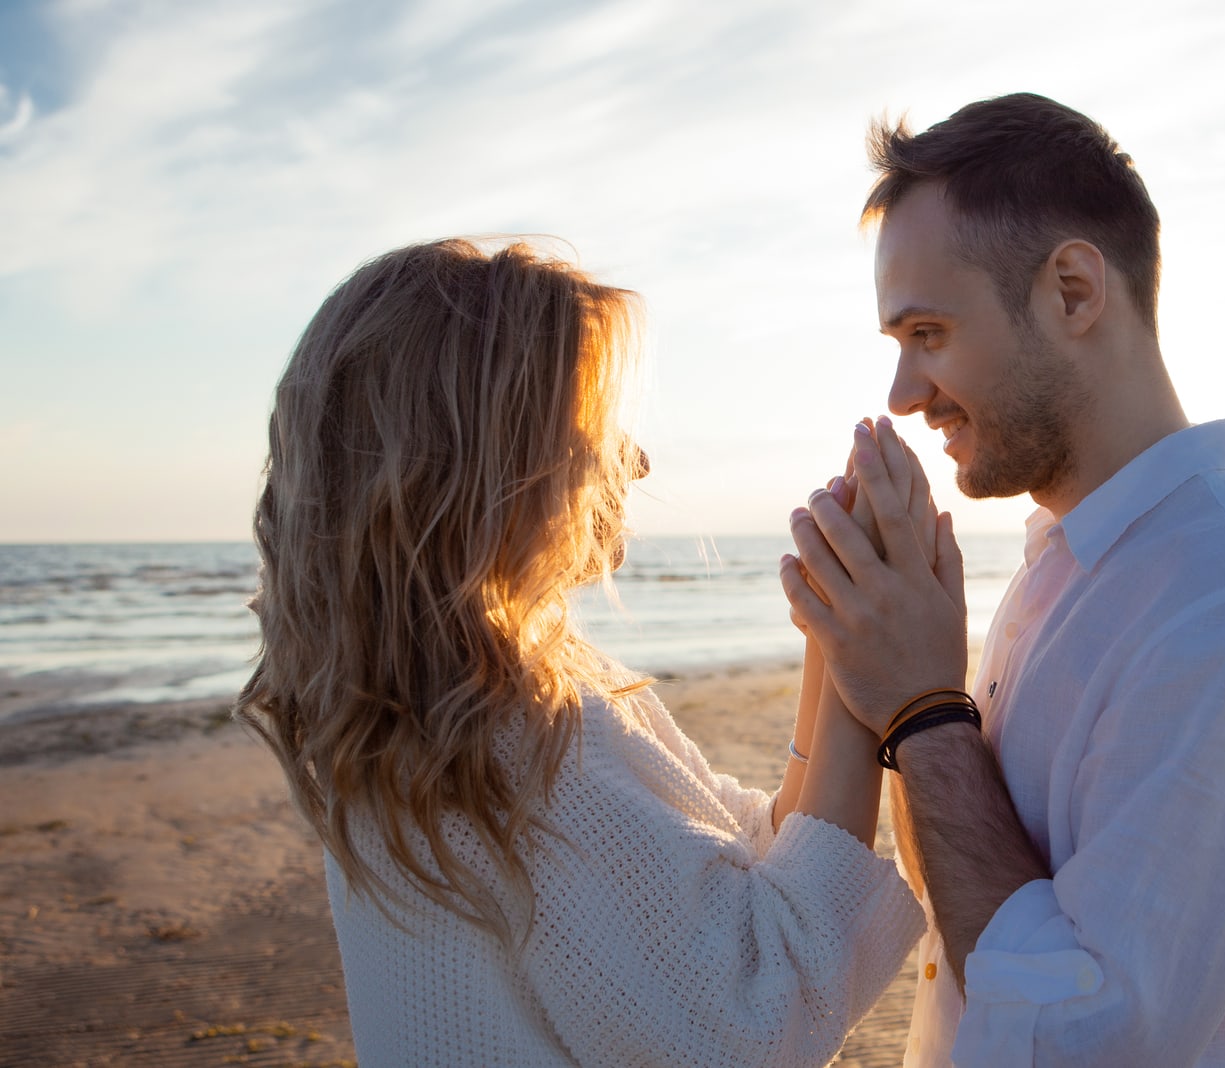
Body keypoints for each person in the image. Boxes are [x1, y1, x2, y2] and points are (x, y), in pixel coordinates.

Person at [235, 237, 926, 1067]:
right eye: (594, 428)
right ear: (485, 468)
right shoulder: (512, 739)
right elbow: (762, 1014)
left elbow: (744, 854)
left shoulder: (425, 708)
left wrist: (829, 635)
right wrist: (869, 675)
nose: (633, 461)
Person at [781, 94, 1225, 1066]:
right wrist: (861, 652)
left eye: (928, 333)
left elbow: (1088, 1041)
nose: (903, 396)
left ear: (1074, 292)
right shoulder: (1066, 565)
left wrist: (922, 710)